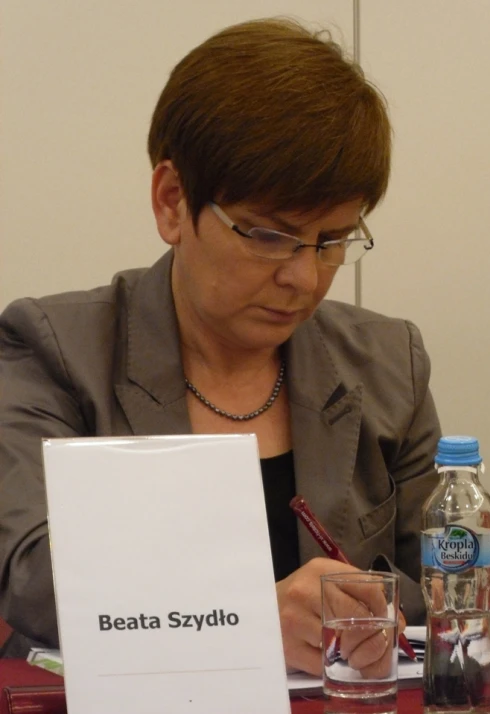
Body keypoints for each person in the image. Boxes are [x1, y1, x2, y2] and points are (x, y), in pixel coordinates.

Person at [0, 18, 440, 671]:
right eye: (269, 236)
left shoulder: (387, 363)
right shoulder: (55, 351)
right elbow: (35, 579)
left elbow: (438, 590)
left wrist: (372, 607)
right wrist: (251, 618)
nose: (302, 276)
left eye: (331, 242)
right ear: (173, 201)